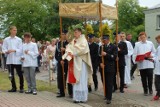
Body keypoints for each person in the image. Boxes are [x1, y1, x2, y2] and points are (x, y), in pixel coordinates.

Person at [62, 27, 93, 103]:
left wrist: (72, 51)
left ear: (80, 32)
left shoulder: (84, 40)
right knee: (75, 79)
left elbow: (82, 49)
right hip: (74, 62)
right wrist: (69, 52)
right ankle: (76, 98)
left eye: (76, 32)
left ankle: (82, 98)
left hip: (81, 63)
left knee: (81, 79)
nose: (75, 34)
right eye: (74, 32)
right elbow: (69, 47)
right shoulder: (73, 40)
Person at [2, 26, 24, 93]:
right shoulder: (6, 39)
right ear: (10, 31)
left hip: (17, 60)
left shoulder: (19, 39)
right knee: (11, 75)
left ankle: (21, 88)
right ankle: (13, 87)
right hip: (10, 60)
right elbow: (3, 48)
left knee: (20, 74)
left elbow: (21, 49)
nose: (15, 31)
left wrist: (14, 50)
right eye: (14, 30)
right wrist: (6, 51)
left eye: (16, 30)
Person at [100, 35, 118, 104]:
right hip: (103, 67)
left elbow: (114, 57)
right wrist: (100, 63)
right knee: (104, 82)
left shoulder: (114, 46)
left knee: (109, 83)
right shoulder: (101, 47)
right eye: (103, 40)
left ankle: (109, 98)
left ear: (108, 40)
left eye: (104, 40)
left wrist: (106, 54)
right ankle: (106, 94)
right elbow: (98, 57)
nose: (103, 41)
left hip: (110, 67)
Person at [55, 32, 72, 98]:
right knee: (60, 77)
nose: (63, 35)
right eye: (62, 34)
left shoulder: (69, 43)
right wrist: (60, 61)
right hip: (60, 63)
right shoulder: (58, 43)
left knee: (68, 78)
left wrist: (65, 61)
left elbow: (71, 53)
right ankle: (62, 92)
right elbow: (56, 55)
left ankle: (71, 92)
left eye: (64, 34)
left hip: (67, 63)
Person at [152, 35, 160, 100]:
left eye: (157, 39)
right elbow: (156, 56)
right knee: (156, 82)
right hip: (157, 67)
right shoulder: (158, 47)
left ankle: (158, 94)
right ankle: (158, 93)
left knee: (157, 82)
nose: (157, 41)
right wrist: (152, 58)